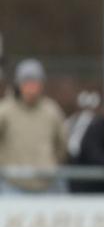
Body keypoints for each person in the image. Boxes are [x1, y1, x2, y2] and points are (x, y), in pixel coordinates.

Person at [0, 58, 67, 192]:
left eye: (35, 82)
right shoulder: (5, 111)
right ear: (18, 84)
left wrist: (49, 165)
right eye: (27, 82)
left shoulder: (52, 110)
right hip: (12, 185)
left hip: (48, 185)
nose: (31, 87)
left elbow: (61, 145)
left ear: (42, 84)